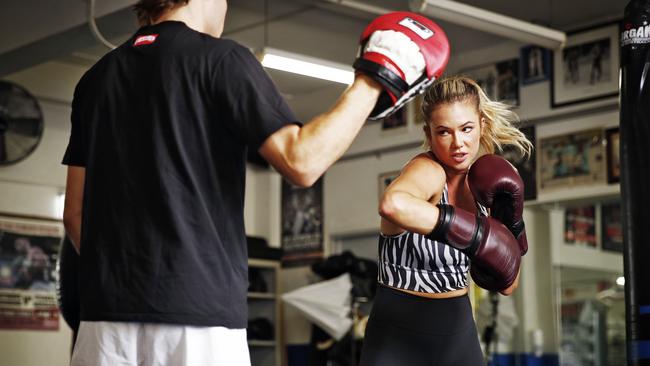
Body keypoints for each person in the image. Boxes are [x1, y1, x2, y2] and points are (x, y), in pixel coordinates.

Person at [61, 1, 449, 365]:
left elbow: (74, 214)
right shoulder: (220, 59)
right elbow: (302, 162)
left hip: (103, 324)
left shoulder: (95, 79)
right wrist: (374, 79)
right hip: (197, 321)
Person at [358, 75, 533, 365]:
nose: (458, 144)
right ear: (429, 134)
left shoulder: (485, 187)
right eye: (444, 132)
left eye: (466, 129)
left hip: (458, 332)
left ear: (482, 126)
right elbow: (393, 204)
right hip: (400, 335)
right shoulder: (428, 171)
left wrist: (511, 224)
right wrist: (476, 234)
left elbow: (507, 284)